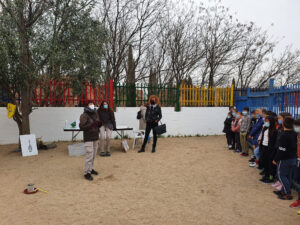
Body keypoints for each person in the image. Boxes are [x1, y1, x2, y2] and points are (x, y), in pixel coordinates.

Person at [273, 117, 297, 200]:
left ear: (283, 124)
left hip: (285, 159)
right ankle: (284, 190)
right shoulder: (294, 133)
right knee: (288, 176)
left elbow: (281, 149)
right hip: (293, 158)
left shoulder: (284, 135)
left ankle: (287, 193)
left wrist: (275, 159)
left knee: (281, 175)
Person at [79, 100, 102, 181]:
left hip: (95, 136)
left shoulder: (95, 113)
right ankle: (86, 173)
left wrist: (99, 124)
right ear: (87, 105)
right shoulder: (84, 115)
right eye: (90, 103)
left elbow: (98, 122)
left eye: (93, 103)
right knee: (89, 155)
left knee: (94, 155)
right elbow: (81, 127)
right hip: (88, 137)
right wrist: (91, 124)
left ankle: (91, 169)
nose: (92, 105)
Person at [259, 116, 278, 183]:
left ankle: (271, 177)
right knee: (265, 162)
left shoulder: (274, 131)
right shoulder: (265, 129)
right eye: (265, 121)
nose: (266, 122)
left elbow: (274, 142)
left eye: (267, 121)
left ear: (271, 122)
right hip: (264, 147)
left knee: (270, 164)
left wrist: (273, 151)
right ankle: (266, 175)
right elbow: (262, 139)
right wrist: (261, 146)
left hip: (270, 149)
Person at [289, 119, 300, 208]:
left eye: (297, 126)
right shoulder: (297, 135)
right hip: (297, 160)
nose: (295, 128)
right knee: (296, 178)